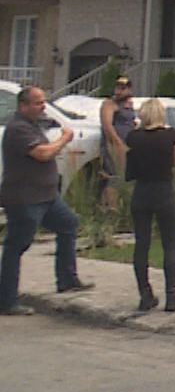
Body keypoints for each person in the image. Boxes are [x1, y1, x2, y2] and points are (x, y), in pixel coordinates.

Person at [1, 85, 89, 315]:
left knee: (68, 223)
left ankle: (67, 279)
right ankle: (7, 300)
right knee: (17, 245)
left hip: (47, 196)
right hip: (25, 198)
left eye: (44, 102)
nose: (43, 107)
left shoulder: (32, 125)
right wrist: (64, 139)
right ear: (23, 106)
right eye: (38, 103)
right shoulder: (18, 128)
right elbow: (42, 153)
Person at [124, 97, 175, 312]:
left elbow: (129, 166)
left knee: (141, 244)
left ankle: (145, 294)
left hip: (141, 191)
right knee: (169, 243)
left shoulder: (133, 138)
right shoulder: (171, 136)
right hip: (163, 190)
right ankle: (172, 294)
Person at [98, 76, 137, 214]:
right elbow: (107, 126)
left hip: (128, 145)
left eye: (123, 88)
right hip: (114, 146)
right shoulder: (109, 104)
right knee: (113, 176)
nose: (119, 91)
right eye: (118, 88)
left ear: (129, 90)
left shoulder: (128, 106)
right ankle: (110, 208)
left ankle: (119, 207)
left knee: (124, 176)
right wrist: (117, 142)